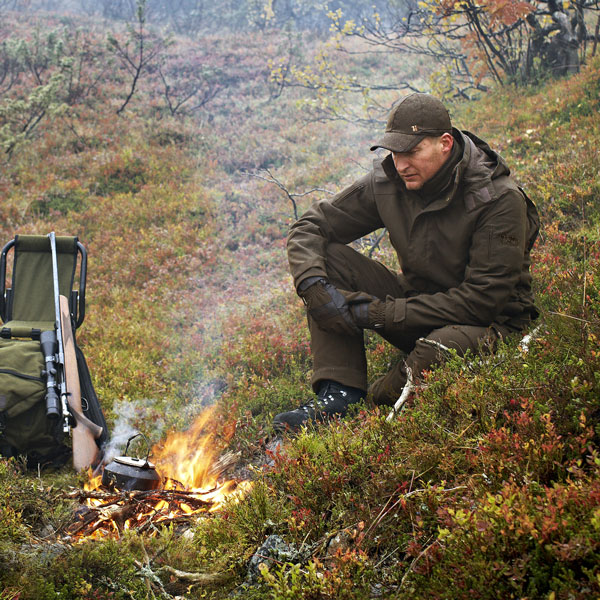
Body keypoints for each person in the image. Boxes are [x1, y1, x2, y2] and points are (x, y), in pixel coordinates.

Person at [273, 93, 539, 431]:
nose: (400, 164)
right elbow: (311, 225)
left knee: (436, 351)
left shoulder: (498, 199)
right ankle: (339, 394)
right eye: (395, 152)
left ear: (445, 143)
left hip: (491, 326)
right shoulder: (390, 184)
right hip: (420, 309)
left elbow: (482, 302)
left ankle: (371, 406)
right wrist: (314, 286)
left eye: (412, 152)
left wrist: (377, 314)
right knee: (325, 260)